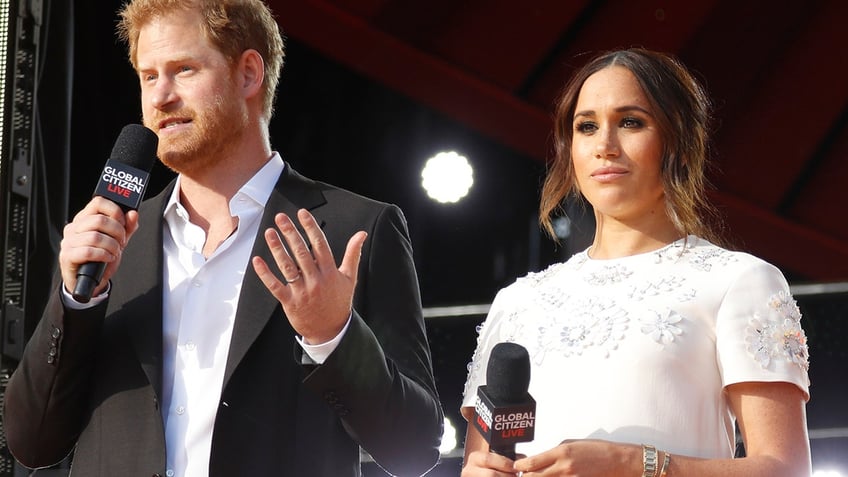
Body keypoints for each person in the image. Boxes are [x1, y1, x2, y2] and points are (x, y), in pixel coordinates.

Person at [3, 1, 443, 476]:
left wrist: (332, 336)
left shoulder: (354, 229)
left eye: (183, 70)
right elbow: (32, 443)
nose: (160, 97)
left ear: (249, 74)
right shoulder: (107, 244)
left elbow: (414, 449)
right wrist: (75, 303)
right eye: (148, 77)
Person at [460, 48, 811, 476]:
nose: (605, 146)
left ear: (678, 142)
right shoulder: (517, 302)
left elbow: (786, 470)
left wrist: (632, 465)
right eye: (586, 127)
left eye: (630, 122)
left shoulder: (739, 282)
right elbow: (483, 460)